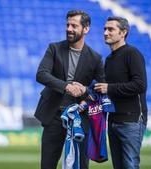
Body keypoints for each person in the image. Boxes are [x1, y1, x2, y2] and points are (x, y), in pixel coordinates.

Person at [34, 10, 105, 169]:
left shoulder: (95, 58)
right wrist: (66, 87)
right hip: (54, 116)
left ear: (86, 28)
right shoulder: (54, 48)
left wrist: (85, 90)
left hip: (80, 119)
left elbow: (102, 88)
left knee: (80, 165)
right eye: (68, 25)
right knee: (47, 165)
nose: (69, 29)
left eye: (74, 25)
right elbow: (41, 74)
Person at [94, 16, 147, 169]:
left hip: (131, 120)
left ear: (123, 32)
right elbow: (105, 87)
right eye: (105, 29)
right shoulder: (109, 59)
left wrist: (109, 88)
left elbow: (140, 85)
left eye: (110, 29)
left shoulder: (132, 53)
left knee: (130, 165)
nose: (105, 32)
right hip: (113, 120)